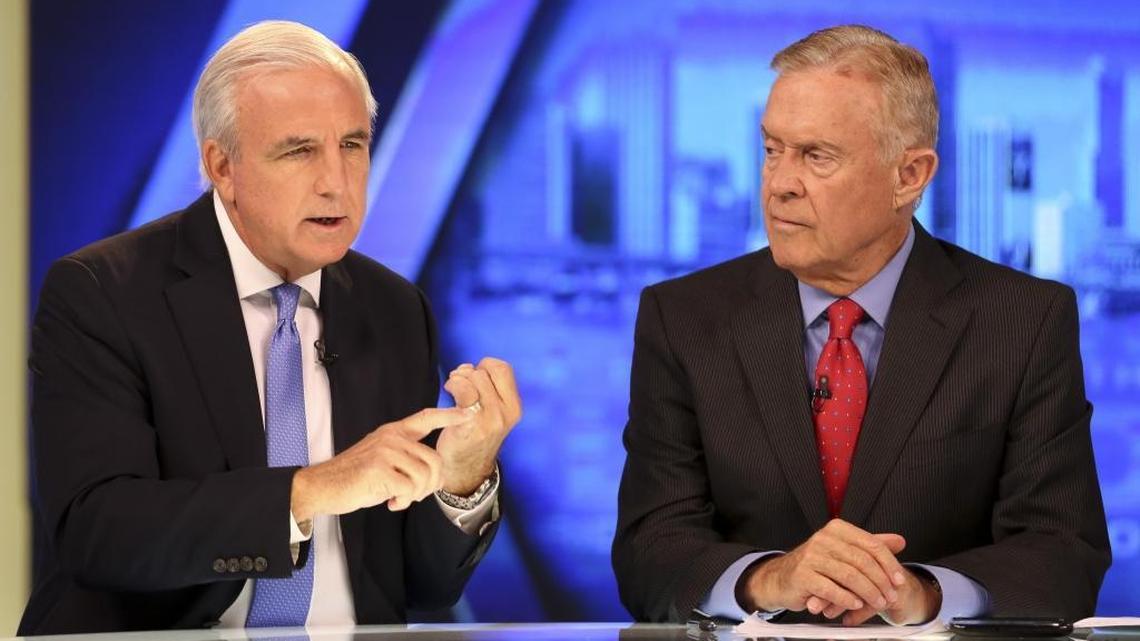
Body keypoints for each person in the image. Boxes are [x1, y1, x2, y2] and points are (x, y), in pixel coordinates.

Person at [19, 20, 521, 635]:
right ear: (220, 166)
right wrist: (307, 492)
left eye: (353, 145)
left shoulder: (394, 308)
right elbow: (97, 532)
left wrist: (461, 476)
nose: (337, 182)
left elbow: (424, 586)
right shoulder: (105, 293)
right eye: (299, 150)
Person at [612, 24, 1110, 626]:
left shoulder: (1024, 321)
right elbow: (649, 552)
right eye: (773, 150)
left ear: (910, 175)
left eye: (816, 156)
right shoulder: (684, 318)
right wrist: (771, 578)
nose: (779, 185)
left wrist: (920, 595)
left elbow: (1063, 555)